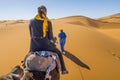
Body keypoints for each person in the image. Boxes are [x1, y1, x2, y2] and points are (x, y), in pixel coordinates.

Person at [28, 5, 68, 74]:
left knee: (28, 55)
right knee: (58, 53)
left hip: (34, 46)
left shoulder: (31, 21)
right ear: (45, 12)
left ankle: (24, 66)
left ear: (37, 12)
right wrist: (53, 39)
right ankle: (63, 70)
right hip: (45, 44)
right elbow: (50, 37)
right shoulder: (48, 22)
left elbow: (31, 35)